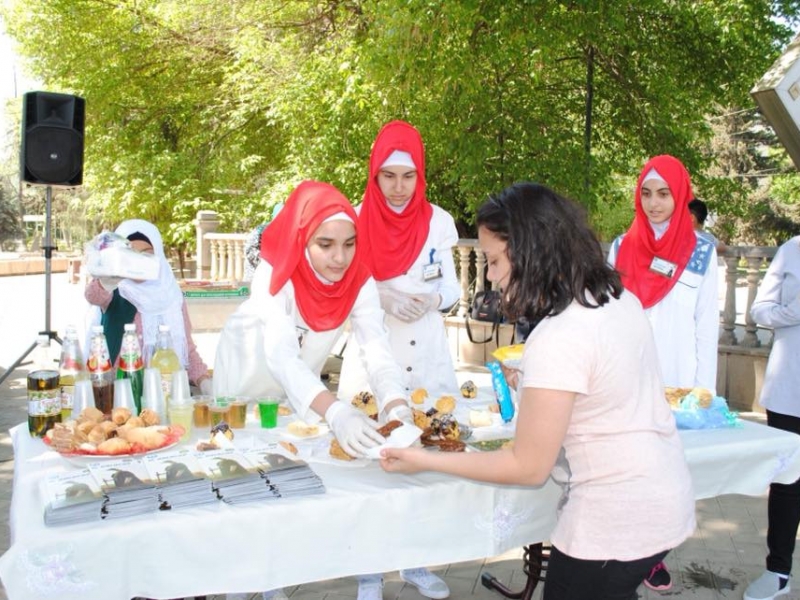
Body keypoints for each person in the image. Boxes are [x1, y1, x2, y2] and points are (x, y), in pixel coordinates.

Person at [380, 182, 696, 600]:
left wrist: (424, 460)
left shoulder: (559, 335)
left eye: (493, 261)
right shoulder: (615, 299)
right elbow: (604, 395)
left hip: (613, 522)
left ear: (529, 251)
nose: (489, 277)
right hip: (665, 499)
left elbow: (528, 467)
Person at [213, 180, 415, 600]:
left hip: (301, 388)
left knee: (288, 479)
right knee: (243, 479)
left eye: (349, 243)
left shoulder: (358, 278)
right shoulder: (275, 272)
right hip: (246, 383)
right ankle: (240, 581)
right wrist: (336, 411)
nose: (340, 258)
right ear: (304, 238)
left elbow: (377, 347)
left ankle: (276, 573)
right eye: (325, 244)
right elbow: (280, 356)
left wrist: (397, 403)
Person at [607, 155, 716, 591]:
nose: (654, 204)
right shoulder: (619, 247)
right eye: (647, 193)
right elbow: (609, 315)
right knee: (629, 468)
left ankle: (653, 553)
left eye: (664, 194)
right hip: (629, 380)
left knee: (670, 477)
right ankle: (626, 550)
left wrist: (704, 394)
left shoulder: (703, 251)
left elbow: (707, 328)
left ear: (680, 195)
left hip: (679, 384)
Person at [338, 120, 460, 400]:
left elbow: (451, 290)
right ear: (375, 175)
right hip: (373, 347)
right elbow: (340, 287)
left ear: (420, 176)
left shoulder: (438, 222)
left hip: (426, 352)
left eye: (408, 176)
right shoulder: (352, 221)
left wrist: (433, 301)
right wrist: (381, 295)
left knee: (434, 433)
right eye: (389, 176)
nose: (398, 186)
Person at [84, 219, 212, 393]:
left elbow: (186, 349)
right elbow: (92, 296)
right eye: (132, 254)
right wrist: (108, 279)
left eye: (146, 254)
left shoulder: (171, 296)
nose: (139, 261)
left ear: (158, 255)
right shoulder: (117, 290)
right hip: (120, 394)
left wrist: (203, 380)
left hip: (165, 393)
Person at [744, 235, 800, 600]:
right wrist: (791, 313)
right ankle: (778, 570)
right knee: (787, 481)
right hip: (790, 388)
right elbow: (758, 310)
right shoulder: (792, 250)